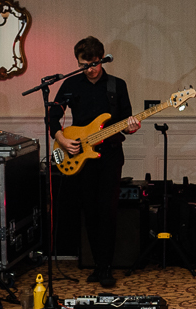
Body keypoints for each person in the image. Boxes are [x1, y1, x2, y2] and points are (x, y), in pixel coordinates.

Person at [47, 37, 139, 288]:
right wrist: (62, 140)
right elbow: (53, 116)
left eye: (95, 63)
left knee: (107, 212)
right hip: (79, 155)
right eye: (84, 64)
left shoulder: (116, 85)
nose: (90, 69)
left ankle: (106, 267)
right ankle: (97, 265)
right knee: (89, 211)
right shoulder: (70, 83)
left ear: (102, 58)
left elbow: (127, 121)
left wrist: (132, 127)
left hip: (109, 155)